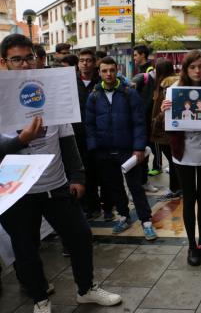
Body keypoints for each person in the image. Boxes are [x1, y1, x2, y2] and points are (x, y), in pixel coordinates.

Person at [0, 34, 122, 313]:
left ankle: (86, 289)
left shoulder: (50, 88)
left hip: (56, 185)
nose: (24, 64)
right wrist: (21, 140)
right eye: (16, 59)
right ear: (3, 62)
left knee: (80, 236)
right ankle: (40, 299)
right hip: (17, 191)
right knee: (26, 249)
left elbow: (67, 138)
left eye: (29, 57)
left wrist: (77, 176)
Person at [85, 56, 158, 241]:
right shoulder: (94, 95)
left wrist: (139, 147)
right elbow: (90, 125)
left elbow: (139, 122)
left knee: (136, 187)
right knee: (114, 187)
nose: (108, 74)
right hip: (104, 151)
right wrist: (94, 149)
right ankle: (124, 216)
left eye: (111, 70)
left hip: (128, 150)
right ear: (99, 72)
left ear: (117, 70)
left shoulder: (128, 92)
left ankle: (146, 221)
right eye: (104, 71)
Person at [160, 51, 201, 266]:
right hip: (182, 153)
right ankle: (191, 245)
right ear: (185, 69)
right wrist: (163, 110)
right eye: (192, 67)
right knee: (189, 198)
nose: (197, 71)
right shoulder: (174, 90)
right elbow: (162, 126)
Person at [72, 48, 111, 221]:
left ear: (95, 62)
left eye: (88, 60)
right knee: (81, 171)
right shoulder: (71, 82)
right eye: (82, 60)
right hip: (77, 134)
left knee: (99, 172)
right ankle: (83, 206)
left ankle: (100, 205)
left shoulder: (100, 82)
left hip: (98, 134)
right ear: (78, 63)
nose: (85, 63)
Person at [149, 58, 181, 201]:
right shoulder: (173, 85)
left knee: (173, 160)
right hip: (169, 129)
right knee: (174, 160)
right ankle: (178, 187)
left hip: (164, 130)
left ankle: (176, 188)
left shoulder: (165, 87)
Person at [132, 44, 161, 186]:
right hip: (142, 112)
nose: (134, 57)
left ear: (143, 55)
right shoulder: (140, 69)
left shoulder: (149, 70)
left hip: (148, 113)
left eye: (136, 55)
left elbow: (150, 94)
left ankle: (157, 166)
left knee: (153, 143)